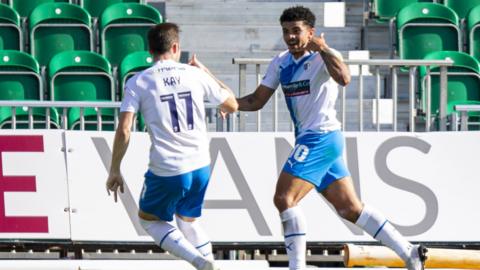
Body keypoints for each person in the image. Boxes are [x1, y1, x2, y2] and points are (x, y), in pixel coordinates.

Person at [234, 6, 427, 270]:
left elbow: (345, 78)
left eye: (296, 31)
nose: (290, 37)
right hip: (317, 141)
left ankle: (296, 267)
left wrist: (323, 49)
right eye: (286, 32)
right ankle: (410, 253)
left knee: (284, 199)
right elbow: (256, 101)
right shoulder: (280, 62)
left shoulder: (323, 56)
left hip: (319, 138)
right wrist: (228, 103)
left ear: (310, 33)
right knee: (350, 209)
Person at [105, 22, 238, 270]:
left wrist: (114, 169)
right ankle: (208, 262)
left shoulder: (138, 81)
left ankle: (199, 261)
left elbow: (124, 130)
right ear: (175, 47)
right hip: (200, 165)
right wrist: (206, 72)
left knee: (149, 221)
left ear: (150, 50)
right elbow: (232, 105)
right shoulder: (195, 74)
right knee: (188, 221)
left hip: (167, 168)